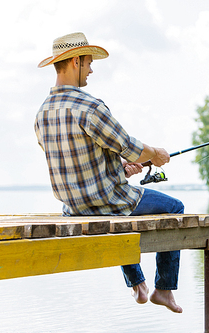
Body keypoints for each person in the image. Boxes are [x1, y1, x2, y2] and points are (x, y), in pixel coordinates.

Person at [34, 32, 183, 313]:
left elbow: (76, 162)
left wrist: (120, 169)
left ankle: (137, 283)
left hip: (74, 208)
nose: (91, 70)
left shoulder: (42, 114)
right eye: (89, 63)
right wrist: (157, 155)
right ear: (76, 61)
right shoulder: (89, 107)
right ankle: (163, 289)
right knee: (174, 207)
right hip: (108, 203)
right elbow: (131, 147)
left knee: (112, 212)